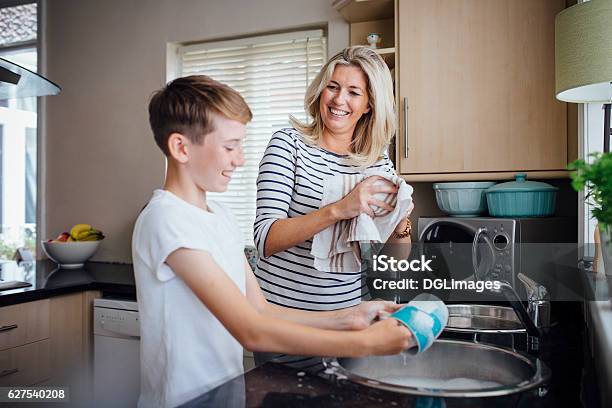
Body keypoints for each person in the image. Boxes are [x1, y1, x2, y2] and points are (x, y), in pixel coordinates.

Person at [132, 75, 412, 408]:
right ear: (181, 147)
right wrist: (366, 344)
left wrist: (350, 317)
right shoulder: (166, 219)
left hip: (226, 395)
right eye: (230, 146)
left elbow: (260, 309)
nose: (240, 159)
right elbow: (251, 331)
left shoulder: (219, 216)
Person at [253, 46, 414, 367]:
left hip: (350, 329)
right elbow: (265, 239)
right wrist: (340, 208)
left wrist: (401, 223)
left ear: (369, 105)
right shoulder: (288, 144)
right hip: (286, 327)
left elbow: (392, 265)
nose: (339, 100)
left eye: (354, 92)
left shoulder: (377, 161)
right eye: (333, 86)